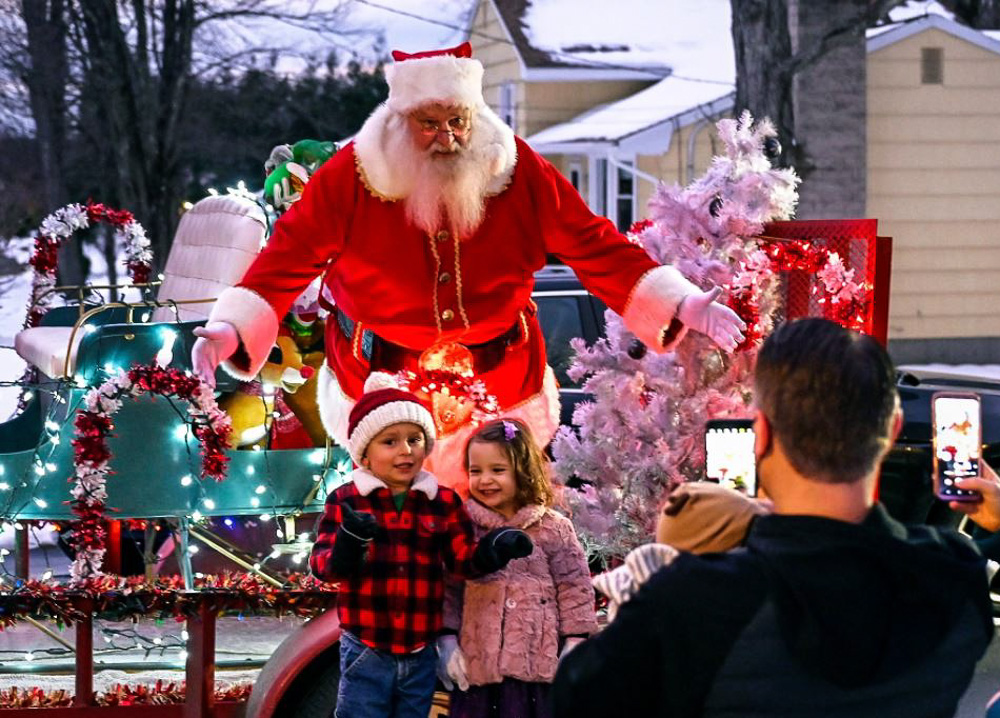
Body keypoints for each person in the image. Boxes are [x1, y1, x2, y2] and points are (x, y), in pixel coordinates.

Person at [190, 41, 746, 490]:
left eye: (458, 120)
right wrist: (230, 328)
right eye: (429, 123)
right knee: (399, 531)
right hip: (383, 386)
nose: (448, 138)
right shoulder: (350, 178)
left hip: (502, 382)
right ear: (399, 118)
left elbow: (592, 243)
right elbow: (286, 258)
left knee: (503, 533)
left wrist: (680, 301)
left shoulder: (516, 170)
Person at [553, 318, 994, 717]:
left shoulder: (693, 599)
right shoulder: (954, 578)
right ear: (892, 429)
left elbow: (576, 695)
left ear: (760, 433)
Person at [309, 374, 533, 718]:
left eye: (414, 439)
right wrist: (349, 542)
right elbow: (322, 566)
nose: (406, 450)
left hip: (421, 649)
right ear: (365, 453)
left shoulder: (442, 501)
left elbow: (461, 560)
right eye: (390, 442)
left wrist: (496, 548)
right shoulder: (347, 500)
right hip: (367, 645)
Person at [437, 418, 596, 718]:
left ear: (523, 471)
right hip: (478, 669)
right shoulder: (465, 528)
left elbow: (574, 585)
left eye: (497, 470)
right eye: (476, 471)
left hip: (535, 667)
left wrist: (575, 640)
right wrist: (446, 638)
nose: (485, 480)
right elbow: (451, 587)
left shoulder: (553, 528)